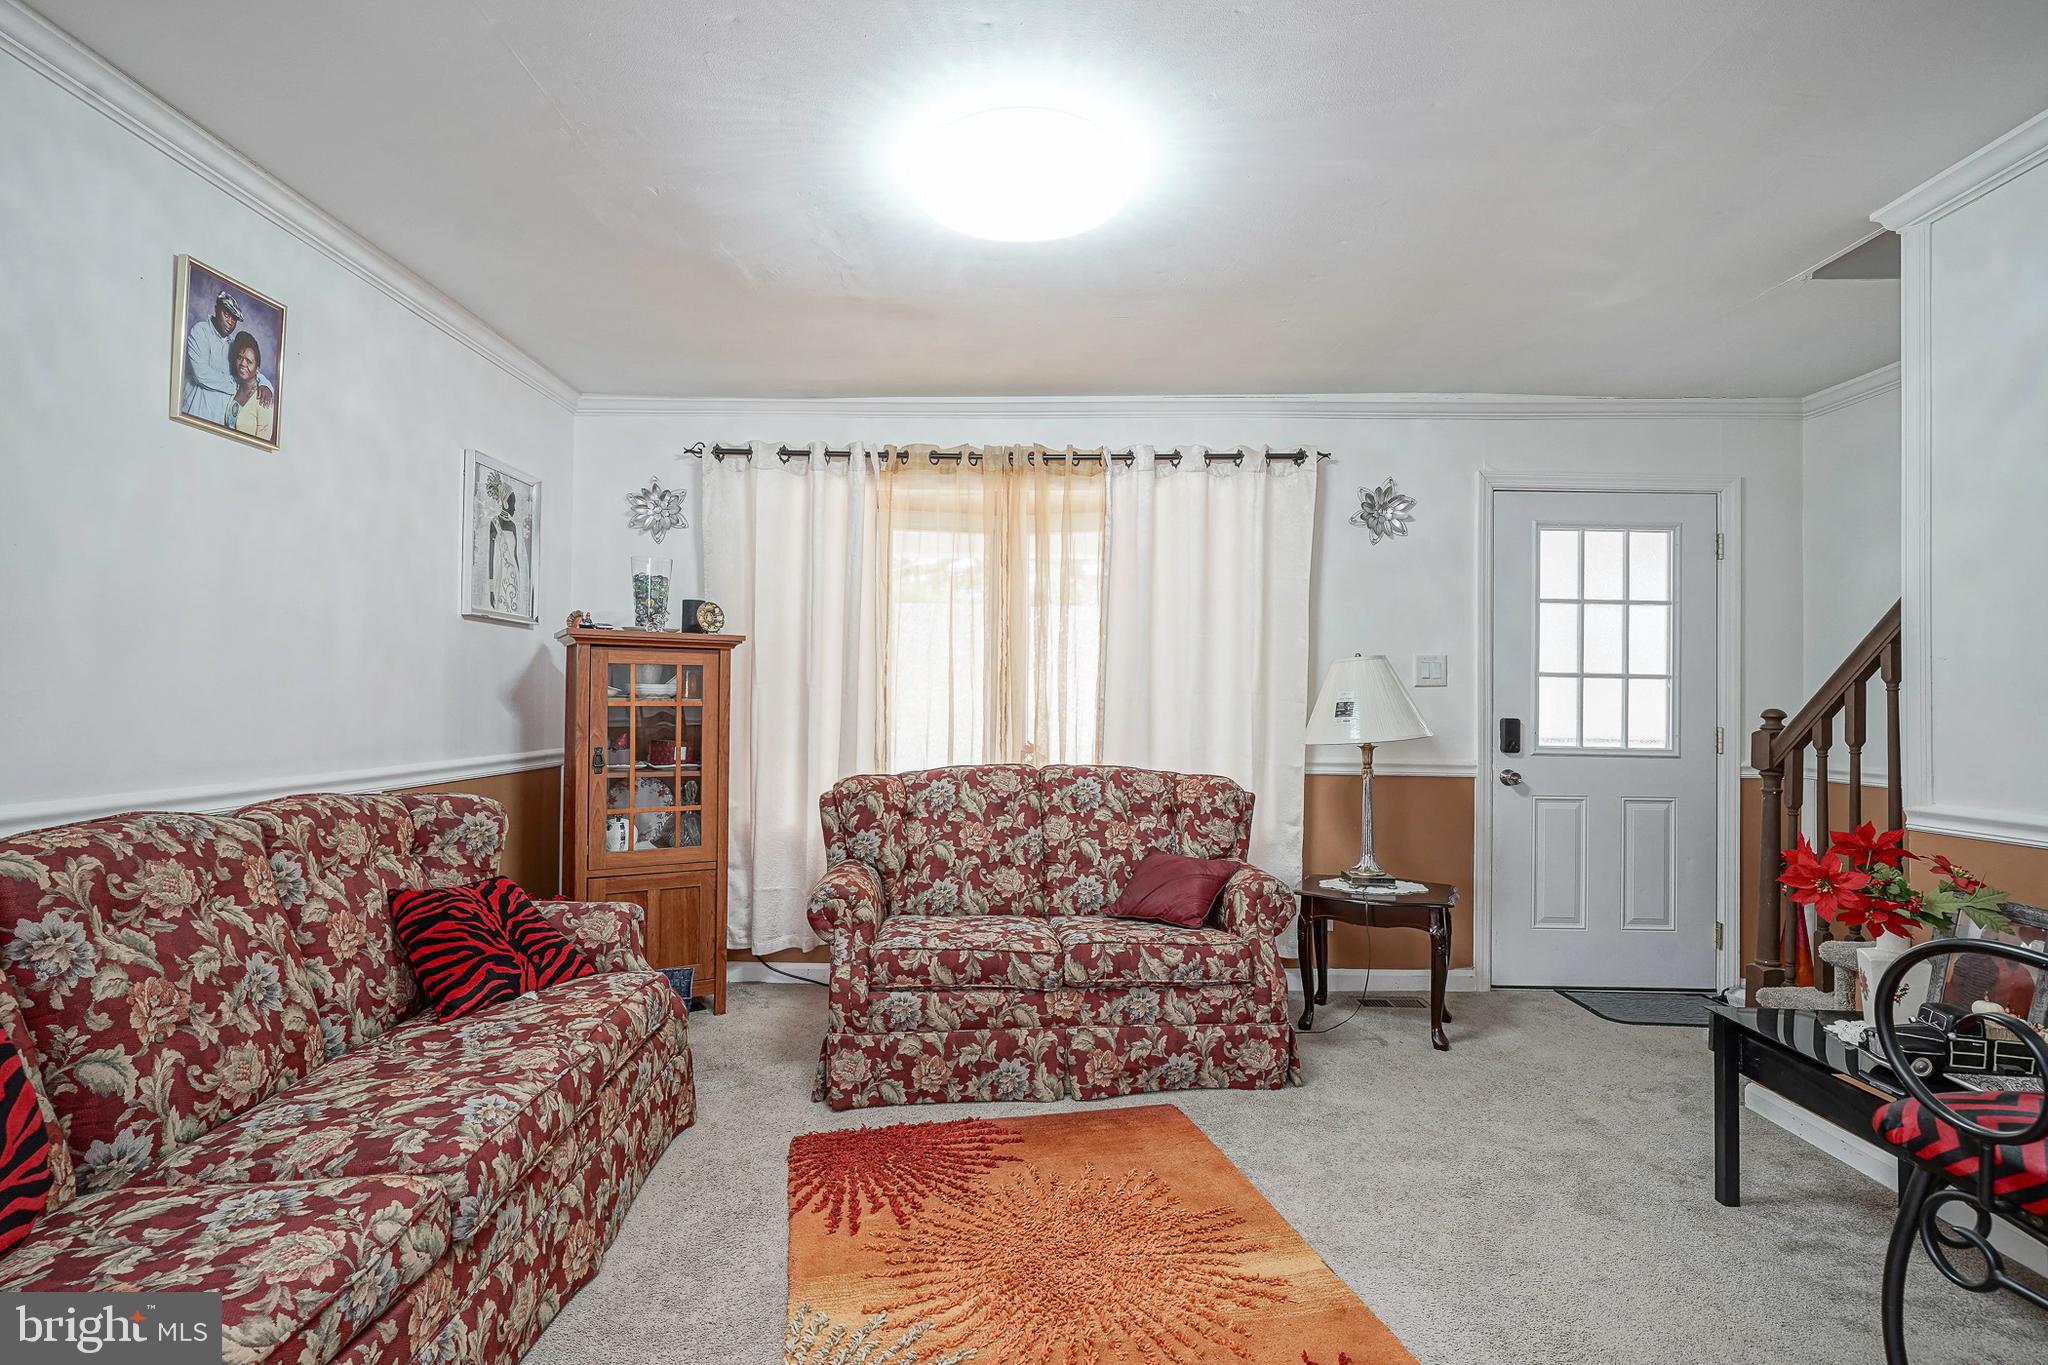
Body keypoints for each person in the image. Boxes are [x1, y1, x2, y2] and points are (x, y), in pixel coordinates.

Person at [181, 288, 243, 425]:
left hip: (219, 422)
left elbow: (250, 370)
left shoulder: (235, 345)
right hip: (194, 414)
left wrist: (264, 385)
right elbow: (202, 374)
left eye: (235, 319)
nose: (230, 322)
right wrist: (237, 385)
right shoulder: (200, 331)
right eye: (227, 314)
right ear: (216, 309)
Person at [225, 331, 276, 443]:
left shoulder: (263, 398)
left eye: (249, 361)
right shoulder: (233, 387)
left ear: (257, 368)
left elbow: (263, 443)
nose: (243, 364)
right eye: (240, 358)